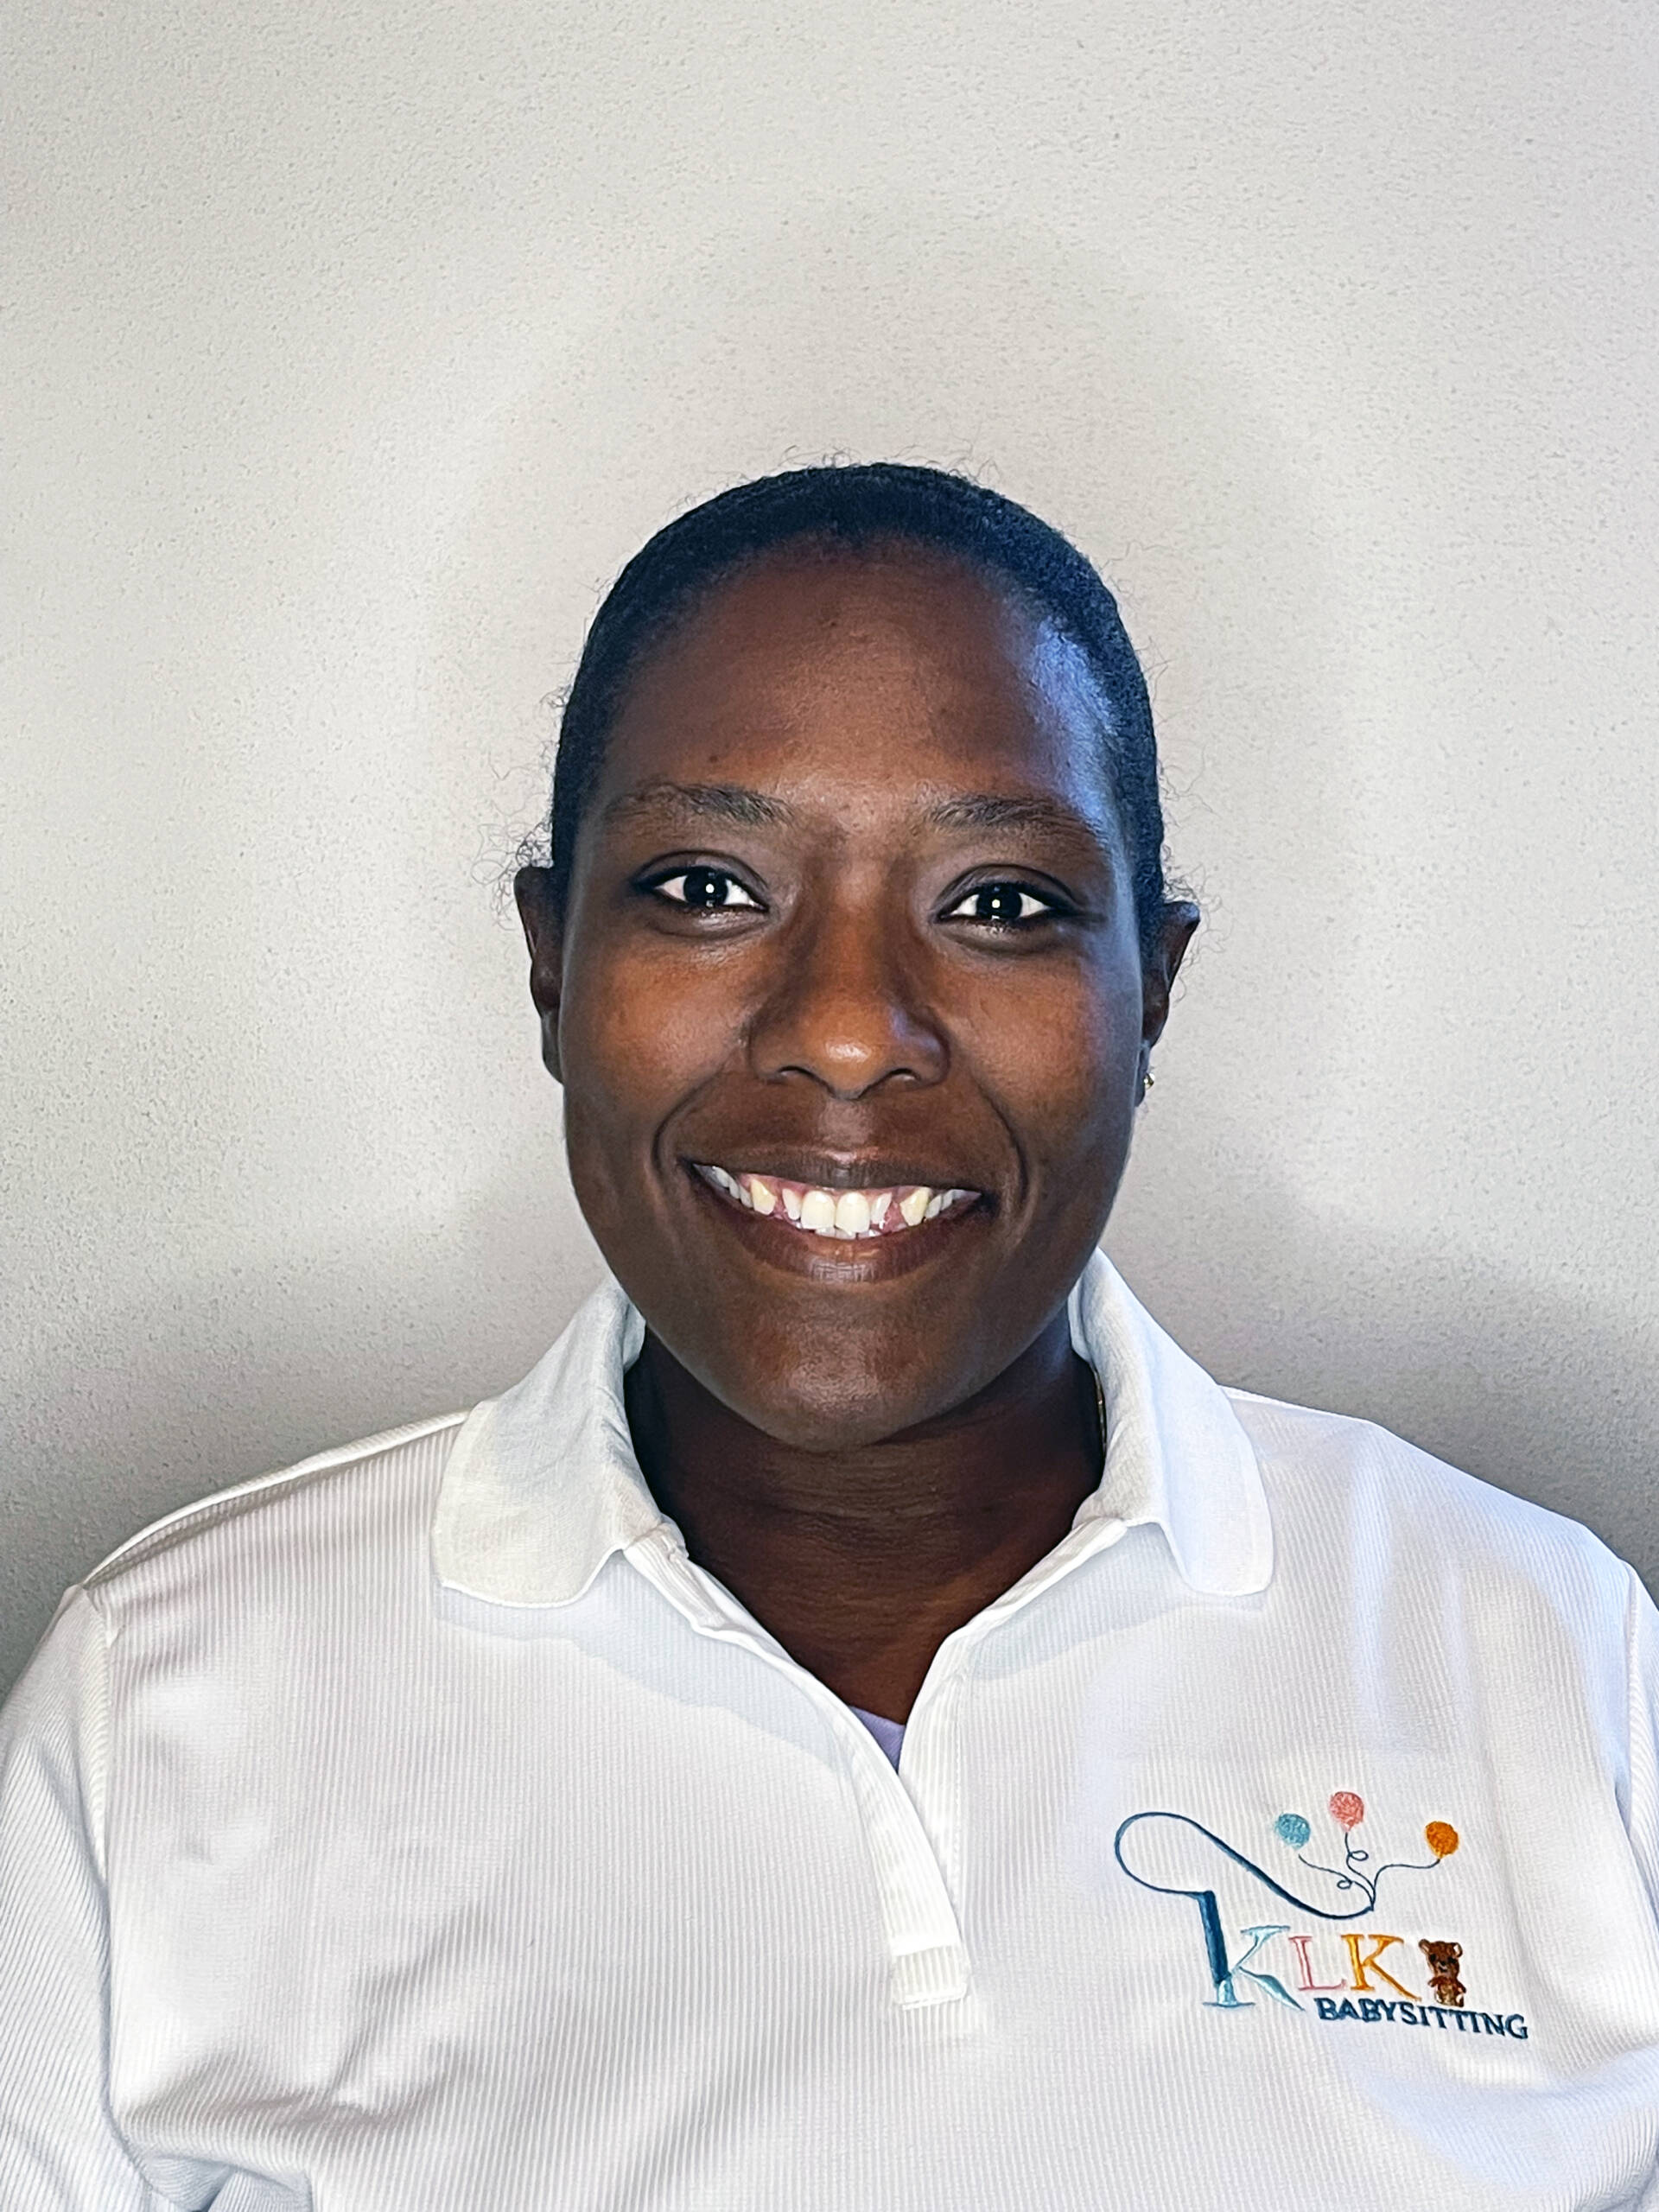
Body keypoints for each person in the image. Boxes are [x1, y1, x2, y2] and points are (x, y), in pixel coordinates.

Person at [2, 463, 1656, 2211]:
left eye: (1001, 902)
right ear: (553, 964)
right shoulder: (164, 1703)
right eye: (708, 886)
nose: (852, 1032)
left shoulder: (1551, 1662)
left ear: (1151, 989)